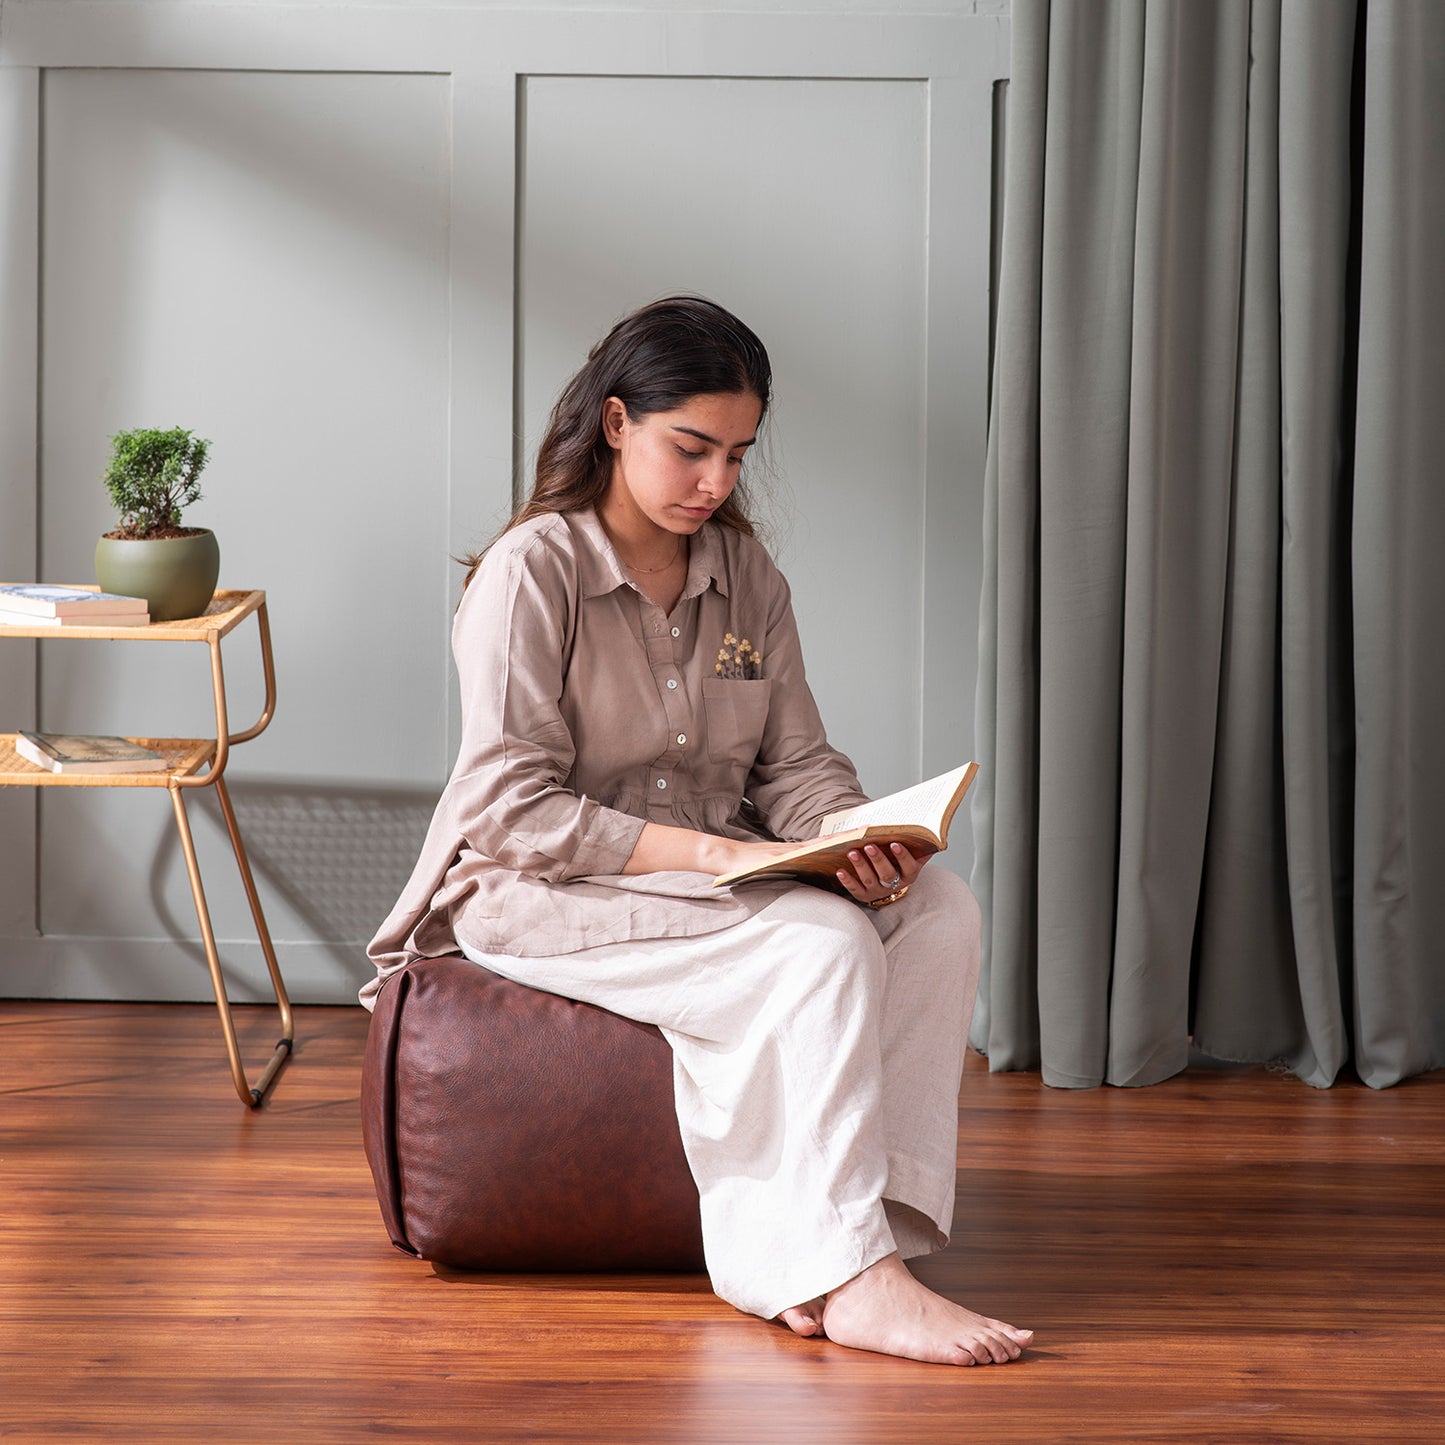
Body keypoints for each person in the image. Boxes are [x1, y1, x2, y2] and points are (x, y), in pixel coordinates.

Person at [364, 296, 1033, 1367]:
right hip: (539, 889)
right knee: (816, 945)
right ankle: (845, 1274)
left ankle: (874, 1229)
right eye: (691, 448)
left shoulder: (745, 577)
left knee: (939, 911)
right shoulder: (533, 570)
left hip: (709, 884)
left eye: (735, 454)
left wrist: (851, 840)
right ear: (617, 421)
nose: (715, 481)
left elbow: (799, 763)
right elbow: (508, 806)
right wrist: (724, 856)